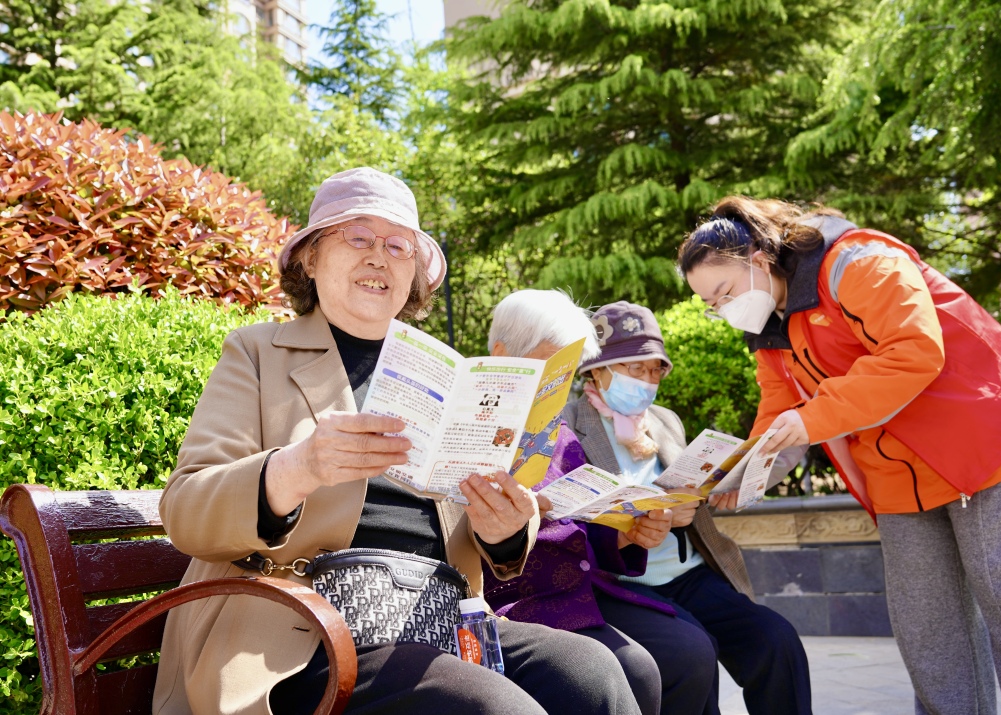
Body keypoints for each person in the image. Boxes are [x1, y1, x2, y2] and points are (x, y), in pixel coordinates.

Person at [153, 168, 642, 715]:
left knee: (594, 673)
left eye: (397, 246)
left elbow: (487, 536)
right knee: (492, 707)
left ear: (413, 274)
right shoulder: (257, 353)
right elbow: (185, 510)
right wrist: (299, 467)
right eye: (358, 237)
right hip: (298, 638)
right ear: (310, 258)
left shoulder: (449, 374)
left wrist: (503, 530)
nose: (378, 258)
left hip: (438, 619)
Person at [678, 196, 1001, 715]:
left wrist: (812, 417)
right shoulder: (768, 329)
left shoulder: (858, 260)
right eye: (711, 304)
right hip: (897, 480)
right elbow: (778, 418)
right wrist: (735, 478)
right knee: (928, 634)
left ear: (759, 258)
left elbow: (913, 351)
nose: (724, 309)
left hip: (981, 450)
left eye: (724, 292)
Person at [562, 300, 812, 715]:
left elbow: (689, 484)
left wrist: (695, 499)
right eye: (635, 368)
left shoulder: (664, 420)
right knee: (696, 652)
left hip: (689, 573)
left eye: (655, 370)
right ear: (597, 370)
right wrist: (644, 516)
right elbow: (569, 515)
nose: (647, 381)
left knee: (776, 639)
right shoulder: (568, 425)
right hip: (623, 582)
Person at [483, 289, 719, 715]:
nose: (561, 383)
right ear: (503, 356)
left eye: (568, 371)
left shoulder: (557, 430)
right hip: (519, 599)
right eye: (553, 366)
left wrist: (629, 534)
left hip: (584, 587)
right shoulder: (473, 427)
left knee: (690, 651)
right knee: (638, 669)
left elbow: (585, 527)